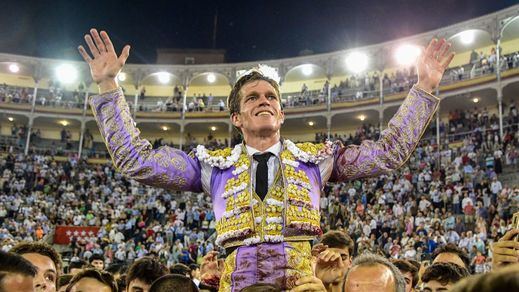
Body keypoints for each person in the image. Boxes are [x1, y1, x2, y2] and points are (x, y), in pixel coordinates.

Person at [78, 28, 454, 290]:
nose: (264, 101)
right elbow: (135, 161)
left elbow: (387, 154)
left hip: (302, 287)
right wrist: (108, 85)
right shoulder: (211, 166)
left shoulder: (316, 160)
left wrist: (425, 88)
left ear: (282, 114)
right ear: (237, 118)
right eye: (253, 97)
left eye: (271, 97)